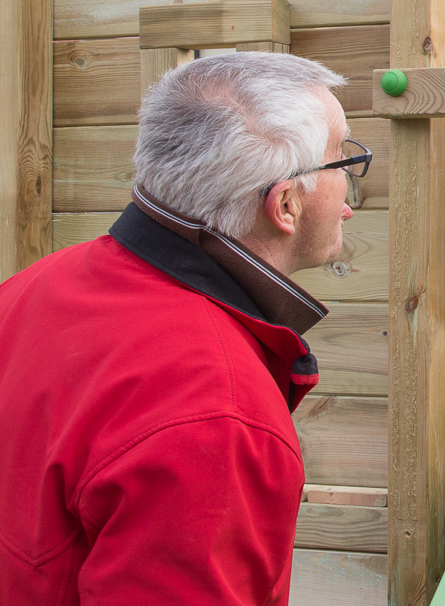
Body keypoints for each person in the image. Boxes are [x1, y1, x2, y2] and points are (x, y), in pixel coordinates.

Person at [0, 52, 365, 605]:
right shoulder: (218, 414)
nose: (350, 199)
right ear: (285, 204)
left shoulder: (30, 288)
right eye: (342, 162)